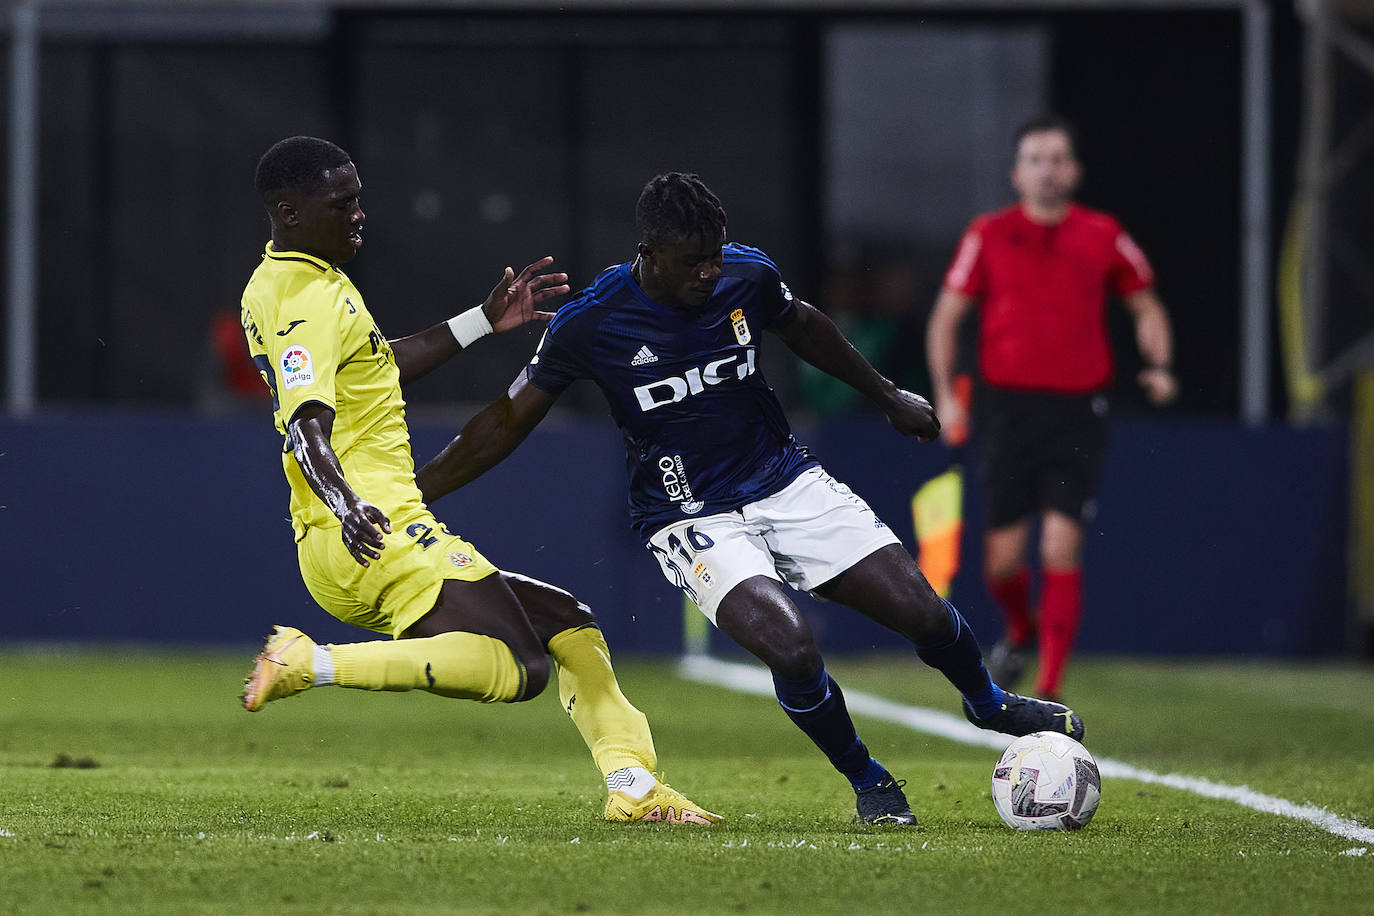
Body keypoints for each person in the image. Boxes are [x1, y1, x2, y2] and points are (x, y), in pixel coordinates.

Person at [415, 171, 1084, 827]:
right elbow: (503, 422)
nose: (709, 272)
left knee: (925, 614)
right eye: (692, 262)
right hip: (689, 515)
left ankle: (987, 703)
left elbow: (806, 327)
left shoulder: (747, 275)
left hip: (783, 478)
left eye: (714, 256)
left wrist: (886, 395)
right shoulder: (592, 322)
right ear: (648, 255)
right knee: (793, 650)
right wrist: (414, 494)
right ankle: (868, 778)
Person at [238, 136, 718, 826]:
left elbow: (375, 365)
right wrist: (347, 505)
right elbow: (306, 421)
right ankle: (309, 663)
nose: (359, 215)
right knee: (520, 666)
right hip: (372, 530)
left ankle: (634, 789)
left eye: (359, 200)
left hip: (365, 531)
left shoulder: (294, 280)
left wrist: (482, 322)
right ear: (289, 210)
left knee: (568, 623)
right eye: (341, 204)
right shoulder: (304, 299)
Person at [925, 115, 1177, 701]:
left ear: (1076, 171)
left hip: (1076, 412)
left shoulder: (1103, 234)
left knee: (1061, 546)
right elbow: (946, 317)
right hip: (1006, 410)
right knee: (1001, 563)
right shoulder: (987, 233)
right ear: (1017, 172)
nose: (1048, 169)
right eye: (1036, 159)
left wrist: (1159, 366)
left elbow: (1147, 307)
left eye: (1058, 158)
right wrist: (945, 396)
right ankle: (1020, 628)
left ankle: (1049, 687)